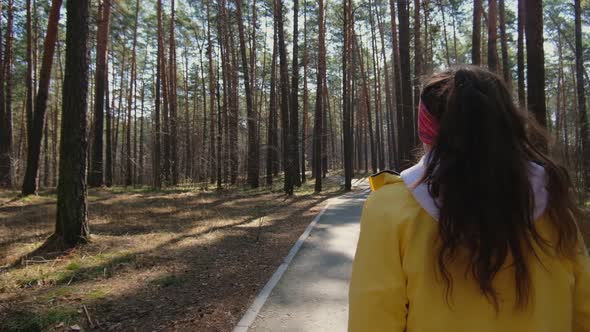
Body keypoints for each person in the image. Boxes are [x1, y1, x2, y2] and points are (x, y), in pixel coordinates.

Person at [348, 66, 590, 332]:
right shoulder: (552, 196)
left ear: (426, 129)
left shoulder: (391, 207)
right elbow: (583, 308)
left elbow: (373, 317)